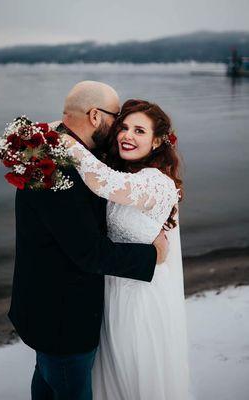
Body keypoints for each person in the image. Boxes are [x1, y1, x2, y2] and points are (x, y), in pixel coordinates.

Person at [8, 82, 168, 400]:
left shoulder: (56, 151)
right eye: (117, 119)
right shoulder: (55, 170)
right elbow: (89, 253)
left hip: (47, 306)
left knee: (47, 384)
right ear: (96, 116)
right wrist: (152, 256)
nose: (119, 130)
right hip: (62, 317)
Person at [64, 99, 191, 399]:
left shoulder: (156, 183)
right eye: (123, 127)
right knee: (113, 373)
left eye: (139, 130)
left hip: (140, 298)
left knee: (134, 370)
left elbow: (101, 181)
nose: (127, 136)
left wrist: (61, 139)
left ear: (158, 140)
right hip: (113, 287)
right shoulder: (130, 173)